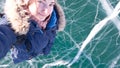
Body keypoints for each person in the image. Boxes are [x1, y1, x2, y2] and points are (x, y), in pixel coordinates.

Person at [0, 0, 66, 64]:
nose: (46, 11)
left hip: (40, 51)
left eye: (51, 4)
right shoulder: (12, 25)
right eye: (40, 1)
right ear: (25, 2)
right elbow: (3, 36)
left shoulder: (54, 18)